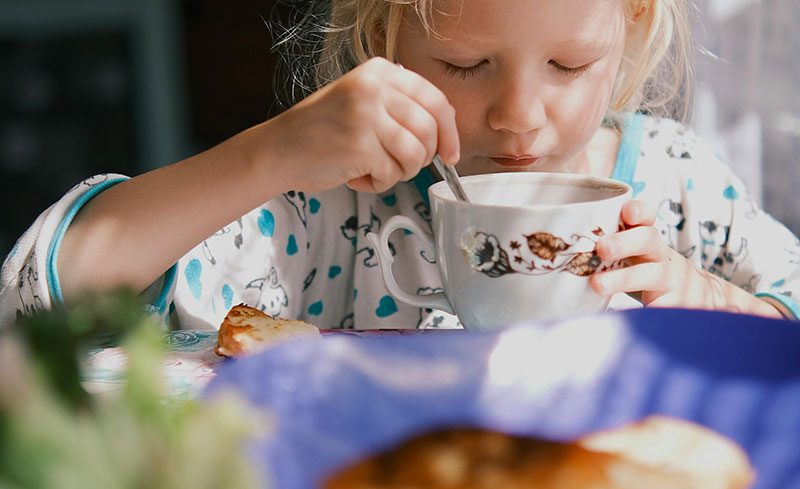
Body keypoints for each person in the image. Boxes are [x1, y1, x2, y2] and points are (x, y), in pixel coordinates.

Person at [1, 0, 798, 330]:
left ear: (631, 25)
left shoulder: (680, 184)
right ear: (386, 38)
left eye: (568, 64)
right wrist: (272, 153)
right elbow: (41, 299)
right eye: (463, 65)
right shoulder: (332, 205)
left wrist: (708, 300)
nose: (519, 116)